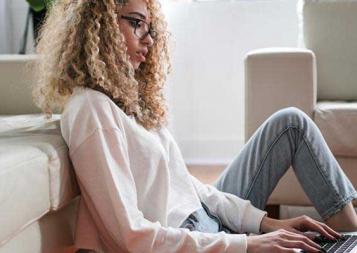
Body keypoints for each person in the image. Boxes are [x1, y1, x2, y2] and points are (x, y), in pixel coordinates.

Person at [32, 0, 357, 252]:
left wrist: (265, 223)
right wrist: (246, 244)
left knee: (291, 124)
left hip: (207, 223)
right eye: (136, 24)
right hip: (190, 239)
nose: (148, 40)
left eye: (150, 28)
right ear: (98, 26)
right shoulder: (92, 109)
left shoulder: (128, 103)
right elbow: (130, 237)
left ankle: (349, 238)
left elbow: (189, 187)